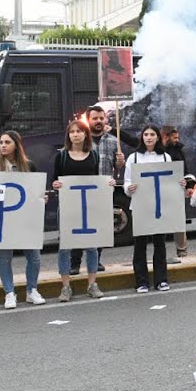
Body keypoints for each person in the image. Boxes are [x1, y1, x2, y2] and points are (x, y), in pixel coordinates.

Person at [0, 130, 46, 309]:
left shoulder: (29, 166)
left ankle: (32, 290)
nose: (3, 145)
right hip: (3, 219)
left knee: (33, 256)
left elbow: (34, 192)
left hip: (25, 218)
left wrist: (41, 198)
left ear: (16, 145)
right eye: (1, 142)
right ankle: (9, 293)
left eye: (7, 142)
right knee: (4, 257)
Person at [125, 125, 188, 293]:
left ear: (157, 137)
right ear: (142, 137)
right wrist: (128, 188)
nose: (149, 137)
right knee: (140, 245)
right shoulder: (134, 158)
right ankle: (141, 282)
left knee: (160, 243)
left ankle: (161, 280)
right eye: (145, 134)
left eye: (152, 134)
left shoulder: (165, 157)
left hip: (161, 207)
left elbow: (172, 180)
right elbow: (127, 181)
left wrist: (180, 183)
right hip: (140, 206)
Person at [53, 119, 108, 300]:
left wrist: (108, 183)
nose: (75, 134)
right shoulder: (61, 156)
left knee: (92, 246)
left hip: (89, 206)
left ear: (86, 134)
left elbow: (96, 179)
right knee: (65, 247)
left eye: (79, 131)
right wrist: (56, 184)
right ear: (68, 135)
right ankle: (66, 286)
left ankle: (92, 284)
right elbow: (54, 181)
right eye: (72, 132)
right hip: (68, 206)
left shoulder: (93, 155)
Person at [69, 105, 124, 275]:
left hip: (103, 190)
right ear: (89, 120)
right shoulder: (81, 140)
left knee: (99, 227)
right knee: (79, 226)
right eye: (95, 118)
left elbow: (116, 168)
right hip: (82, 190)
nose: (99, 121)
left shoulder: (114, 141)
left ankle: (96, 260)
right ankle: (75, 263)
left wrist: (120, 163)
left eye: (102, 118)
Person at [161, 126, 196, 262]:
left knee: (179, 221)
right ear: (165, 136)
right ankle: (161, 251)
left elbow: (184, 168)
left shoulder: (177, 150)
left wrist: (189, 185)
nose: (177, 140)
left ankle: (182, 251)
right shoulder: (157, 150)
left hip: (176, 189)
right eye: (174, 138)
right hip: (161, 190)